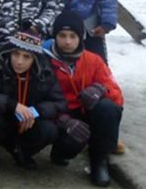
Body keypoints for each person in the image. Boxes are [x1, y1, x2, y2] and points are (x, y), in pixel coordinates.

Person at [43, 11, 124, 187]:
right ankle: (59, 152)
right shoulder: (44, 60)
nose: (67, 41)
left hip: (88, 111)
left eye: (73, 36)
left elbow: (117, 95)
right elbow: (38, 99)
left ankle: (99, 160)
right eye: (62, 35)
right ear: (55, 36)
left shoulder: (94, 60)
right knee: (71, 141)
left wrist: (100, 89)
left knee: (108, 108)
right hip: (61, 115)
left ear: (80, 38)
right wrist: (63, 120)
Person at [0, 31, 66, 172]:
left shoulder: (44, 73)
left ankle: (21, 152)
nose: (19, 61)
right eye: (15, 54)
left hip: (26, 122)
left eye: (26, 57)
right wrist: (11, 105)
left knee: (50, 130)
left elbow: (59, 103)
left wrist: (35, 111)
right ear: (8, 52)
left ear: (35, 59)